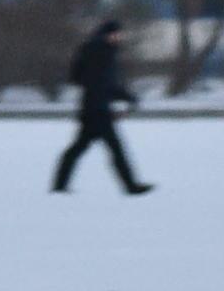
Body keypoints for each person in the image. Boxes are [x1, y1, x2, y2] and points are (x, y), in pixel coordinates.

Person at [52, 20, 154, 196]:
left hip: (92, 108)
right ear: (109, 35)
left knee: (78, 149)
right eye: (117, 34)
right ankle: (131, 187)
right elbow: (104, 84)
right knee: (114, 149)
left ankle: (59, 186)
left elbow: (81, 78)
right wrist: (127, 97)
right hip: (98, 111)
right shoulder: (102, 53)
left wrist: (123, 96)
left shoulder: (94, 50)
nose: (119, 37)